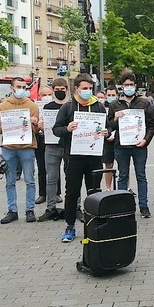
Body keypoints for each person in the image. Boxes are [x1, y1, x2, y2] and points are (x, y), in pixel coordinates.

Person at [52, 73, 109, 242]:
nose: (88, 91)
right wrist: (67, 128)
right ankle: (70, 226)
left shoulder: (98, 106)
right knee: (72, 193)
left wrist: (107, 132)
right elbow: (56, 129)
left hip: (93, 157)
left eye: (90, 88)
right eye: (85, 88)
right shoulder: (68, 108)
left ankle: (95, 225)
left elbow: (108, 127)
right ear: (76, 89)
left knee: (94, 192)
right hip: (73, 157)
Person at [108, 70, 154, 218]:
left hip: (139, 146)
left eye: (131, 84)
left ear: (135, 86)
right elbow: (109, 126)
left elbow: (151, 125)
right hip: (121, 147)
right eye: (126, 84)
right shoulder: (115, 105)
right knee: (122, 176)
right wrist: (114, 119)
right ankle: (123, 207)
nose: (129, 87)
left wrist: (146, 140)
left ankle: (143, 206)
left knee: (141, 176)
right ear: (122, 87)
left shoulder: (144, 103)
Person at [0, 77, 40, 224]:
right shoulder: (2, 106)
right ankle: (12, 210)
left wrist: (35, 123)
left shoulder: (32, 105)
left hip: (27, 147)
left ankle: (29, 210)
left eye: (24, 87)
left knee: (30, 180)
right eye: (19, 86)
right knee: (10, 181)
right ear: (12, 88)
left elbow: (37, 129)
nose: (22, 90)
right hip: (8, 148)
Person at [37, 78, 69, 222]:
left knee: (72, 178)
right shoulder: (47, 107)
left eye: (62, 89)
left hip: (68, 146)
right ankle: (50, 208)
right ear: (53, 90)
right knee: (51, 178)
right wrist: (41, 126)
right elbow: (42, 125)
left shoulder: (71, 106)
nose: (60, 92)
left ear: (67, 90)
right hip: (50, 145)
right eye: (57, 89)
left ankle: (74, 207)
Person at [34, 85, 61, 206]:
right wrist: (37, 125)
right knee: (41, 167)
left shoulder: (57, 106)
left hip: (55, 140)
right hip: (41, 138)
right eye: (44, 95)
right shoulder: (36, 107)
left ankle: (57, 193)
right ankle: (42, 193)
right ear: (40, 96)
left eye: (49, 94)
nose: (47, 97)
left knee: (55, 169)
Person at [101, 85, 118, 191]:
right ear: (105, 96)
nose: (111, 97)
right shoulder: (101, 108)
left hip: (119, 138)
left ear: (117, 96)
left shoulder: (120, 106)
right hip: (106, 140)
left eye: (113, 95)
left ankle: (127, 187)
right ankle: (108, 188)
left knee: (123, 165)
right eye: (109, 95)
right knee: (108, 165)